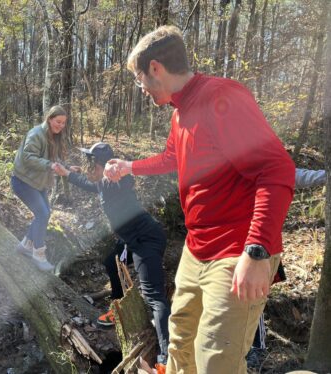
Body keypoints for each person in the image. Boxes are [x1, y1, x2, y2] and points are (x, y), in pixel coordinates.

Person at [104, 26, 295, 373]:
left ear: (156, 68)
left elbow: (277, 170)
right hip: (196, 249)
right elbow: (171, 158)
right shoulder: (181, 113)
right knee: (180, 346)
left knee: (215, 361)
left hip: (236, 252)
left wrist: (257, 251)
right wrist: (129, 166)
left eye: (139, 78)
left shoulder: (221, 97)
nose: (141, 88)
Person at [53, 142, 170, 372]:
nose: (88, 166)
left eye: (91, 162)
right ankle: (117, 311)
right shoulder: (101, 184)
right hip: (130, 240)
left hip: (147, 240)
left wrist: (118, 171)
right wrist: (66, 173)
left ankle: (166, 357)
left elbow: (125, 179)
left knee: (153, 296)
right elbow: (88, 185)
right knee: (110, 262)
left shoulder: (116, 181)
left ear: (100, 164)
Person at [247, 167, 327, 369]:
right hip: (229, 247)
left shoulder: (267, 166)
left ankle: (257, 348)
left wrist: (327, 174)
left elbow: (300, 176)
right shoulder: (228, 169)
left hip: (262, 249)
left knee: (253, 300)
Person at [11, 105, 67, 271]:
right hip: (23, 181)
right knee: (42, 213)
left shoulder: (53, 136)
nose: (61, 126)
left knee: (44, 214)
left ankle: (25, 245)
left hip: (38, 183)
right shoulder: (36, 133)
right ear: (50, 119)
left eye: (64, 123)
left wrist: (67, 168)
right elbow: (28, 157)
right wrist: (50, 165)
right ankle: (38, 254)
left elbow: (53, 159)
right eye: (58, 122)